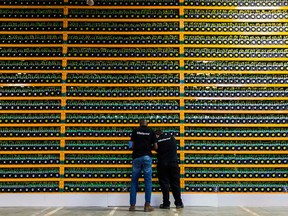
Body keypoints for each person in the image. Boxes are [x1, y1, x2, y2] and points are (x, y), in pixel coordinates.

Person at [129, 119, 157, 212]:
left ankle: (132, 206)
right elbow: (156, 147)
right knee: (148, 182)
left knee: (134, 182)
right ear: (147, 124)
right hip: (147, 157)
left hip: (136, 157)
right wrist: (149, 147)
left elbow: (131, 145)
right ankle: (147, 205)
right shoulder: (151, 131)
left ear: (139, 124)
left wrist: (136, 148)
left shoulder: (135, 130)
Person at [155, 130, 184, 209]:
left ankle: (166, 204)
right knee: (175, 184)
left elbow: (156, 149)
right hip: (173, 163)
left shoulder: (157, 140)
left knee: (165, 184)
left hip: (162, 164)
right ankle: (179, 203)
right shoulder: (172, 138)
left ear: (157, 135)